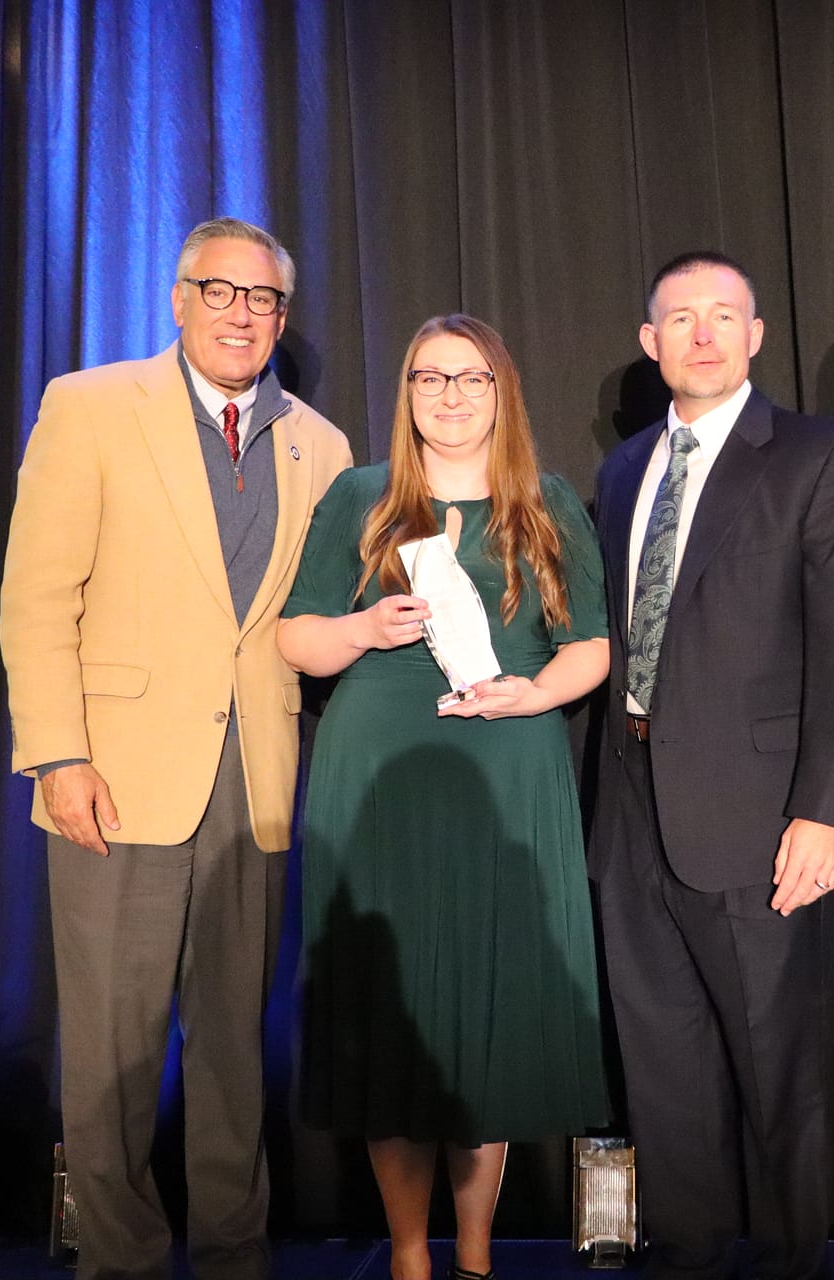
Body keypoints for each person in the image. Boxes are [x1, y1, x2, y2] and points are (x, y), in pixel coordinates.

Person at [0, 217, 351, 1280]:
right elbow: (36, 594)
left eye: (263, 300)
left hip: (258, 786)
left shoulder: (320, 444)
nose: (242, 314)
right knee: (110, 1055)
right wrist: (57, 754)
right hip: (114, 776)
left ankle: (235, 1257)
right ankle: (121, 1261)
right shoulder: (92, 405)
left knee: (236, 1050)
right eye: (221, 291)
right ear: (179, 298)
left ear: (284, 318)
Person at [277, 314, 612, 1280]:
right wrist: (365, 629)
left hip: (506, 773)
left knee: (486, 1014)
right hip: (380, 776)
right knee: (397, 1014)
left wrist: (535, 691)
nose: (452, 396)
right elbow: (296, 639)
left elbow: (589, 643)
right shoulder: (361, 498)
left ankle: (475, 1256)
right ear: (408, 394)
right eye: (431, 378)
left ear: (502, 392)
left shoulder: (545, 502)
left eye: (472, 379)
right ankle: (410, 1257)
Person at [588, 251, 834, 1280]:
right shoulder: (625, 468)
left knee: (780, 1071)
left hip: (765, 819)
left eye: (725, 315)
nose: (704, 333)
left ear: (756, 334)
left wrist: (828, 810)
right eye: (681, 317)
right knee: (663, 1064)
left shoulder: (818, 456)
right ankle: (683, 1253)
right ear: (651, 341)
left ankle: (789, 1261)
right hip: (632, 807)